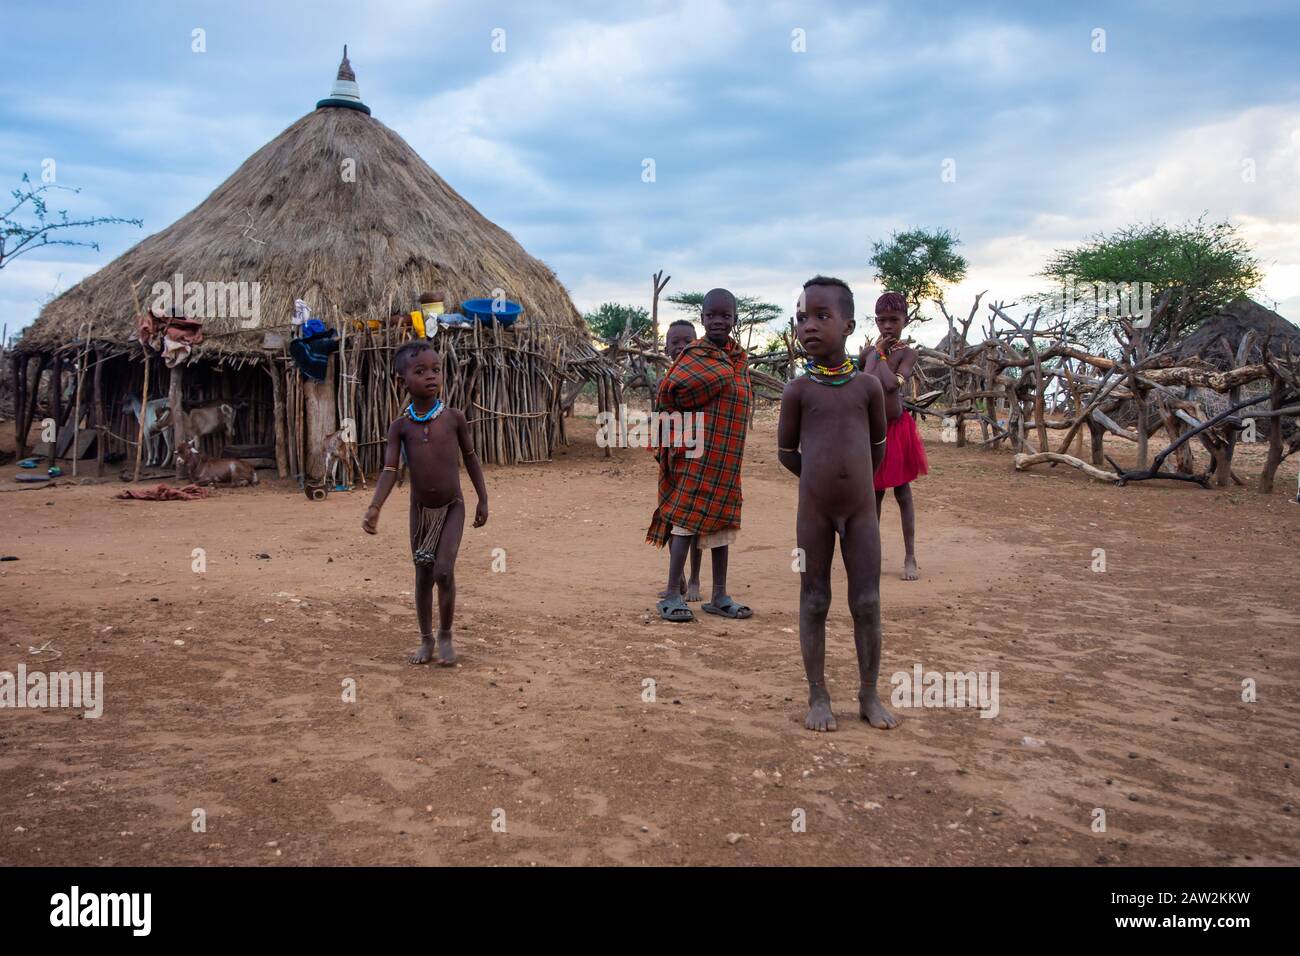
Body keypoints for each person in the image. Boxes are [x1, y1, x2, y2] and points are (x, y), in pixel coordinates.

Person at [777, 276, 897, 732]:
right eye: (803, 317)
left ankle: (869, 694)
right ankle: (819, 696)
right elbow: (787, 454)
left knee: (867, 601)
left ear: (848, 325)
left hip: (862, 512)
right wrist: (818, 482)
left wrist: (854, 482)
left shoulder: (867, 389)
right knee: (814, 600)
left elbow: (877, 447)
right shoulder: (797, 392)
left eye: (822, 316)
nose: (810, 326)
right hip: (814, 514)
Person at [362, 341, 488, 667]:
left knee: (444, 571)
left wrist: (483, 499)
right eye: (420, 371)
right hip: (421, 512)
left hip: (452, 507)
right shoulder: (400, 427)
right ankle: (426, 639)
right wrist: (375, 506)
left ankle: (445, 634)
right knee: (423, 575)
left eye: (435, 369)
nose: (431, 376)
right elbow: (391, 470)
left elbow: (471, 459)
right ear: (402, 379)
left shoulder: (454, 419)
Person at [648, 289, 752, 622]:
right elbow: (670, 395)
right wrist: (672, 445)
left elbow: (737, 403)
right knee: (685, 522)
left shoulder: (738, 360)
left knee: (722, 524)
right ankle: (672, 594)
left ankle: (719, 595)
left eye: (726, 315)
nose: (719, 321)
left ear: (735, 318)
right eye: (712, 316)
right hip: (693, 454)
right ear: (703, 318)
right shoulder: (695, 355)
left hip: (726, 456)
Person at [861, 291, 928, 581]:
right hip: (872, 431)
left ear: (905, 320)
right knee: (873, 496)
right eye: (882, 320)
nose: (888, 326)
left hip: (898, 430)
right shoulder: (868, 352)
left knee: (903, 494)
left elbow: (889, 385)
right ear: (876, 322)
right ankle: (870, 556)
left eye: (894, 320)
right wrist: (875, 353)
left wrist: (882, 354)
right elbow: (866, 381)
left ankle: (910, 555)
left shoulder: (907, 353)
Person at [656, 319, 703, 601]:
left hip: (697, 459)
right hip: (671, 460)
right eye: (675, 342)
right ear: (666, 347)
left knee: (695, 524)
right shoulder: (666, 381)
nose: (681, 346)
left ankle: (695, 579)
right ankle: (680, 580)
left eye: (687, 341)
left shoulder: (702, 378)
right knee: (673, 521)